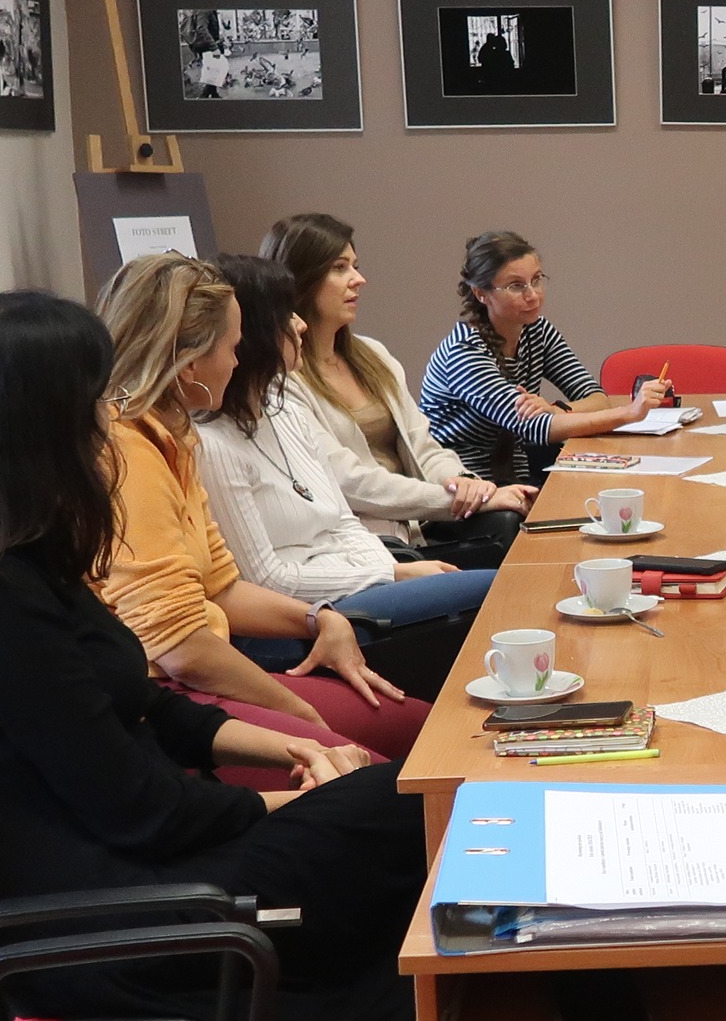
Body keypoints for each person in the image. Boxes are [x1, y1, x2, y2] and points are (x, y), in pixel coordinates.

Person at [0, 291, 421, 1021]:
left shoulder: (21, 557)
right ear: (38, 422)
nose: (106, 418)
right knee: (410, 809)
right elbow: (138, 808)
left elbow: (145, 706)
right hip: (89, 919)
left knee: (398, 800)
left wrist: (288, 750)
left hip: (123, 866)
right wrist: (298, 798)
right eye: (92, 398)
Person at [97, 252, 428, 762]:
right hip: (161, 695)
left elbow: (223, 587)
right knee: (385, 776)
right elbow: (180, 646)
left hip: (199, 669)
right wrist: (297, 710)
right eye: (230, 347)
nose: (236, 359)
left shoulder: (174, 437)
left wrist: (318, 618)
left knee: (418, 730)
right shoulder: (129, 451)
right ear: (187, 362)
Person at [195, 258, 495, 686]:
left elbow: (344, 520)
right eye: (286, 314)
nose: (299, 325)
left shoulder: (286, 411)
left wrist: (388, 568)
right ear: (254, 332)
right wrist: (388, 572)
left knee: (491, 589)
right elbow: (266, 579)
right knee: (496, 592)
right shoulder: (213, 445)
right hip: (299, 621)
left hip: (356, 583)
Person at [259, 212, 533, 567]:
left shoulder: (374, 355)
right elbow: (348, 482)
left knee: (510, 520)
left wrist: (464, 483)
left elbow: (425, 444)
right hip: (366, 539)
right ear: (301, 281)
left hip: (419, 519)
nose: (359, 279)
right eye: (340, 268)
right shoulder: (283, 380)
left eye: (355, 266)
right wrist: (452, 500)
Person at [420, 232, 656, 482]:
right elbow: (534, 427)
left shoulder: (537, 330)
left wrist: (557, 409)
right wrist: (630, 413)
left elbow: (596, 398)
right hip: (462, 484)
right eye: (516, 286)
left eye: (536, 280)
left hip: (516, 473)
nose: (532, 295)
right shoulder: (464, 352)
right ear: (481, 294)